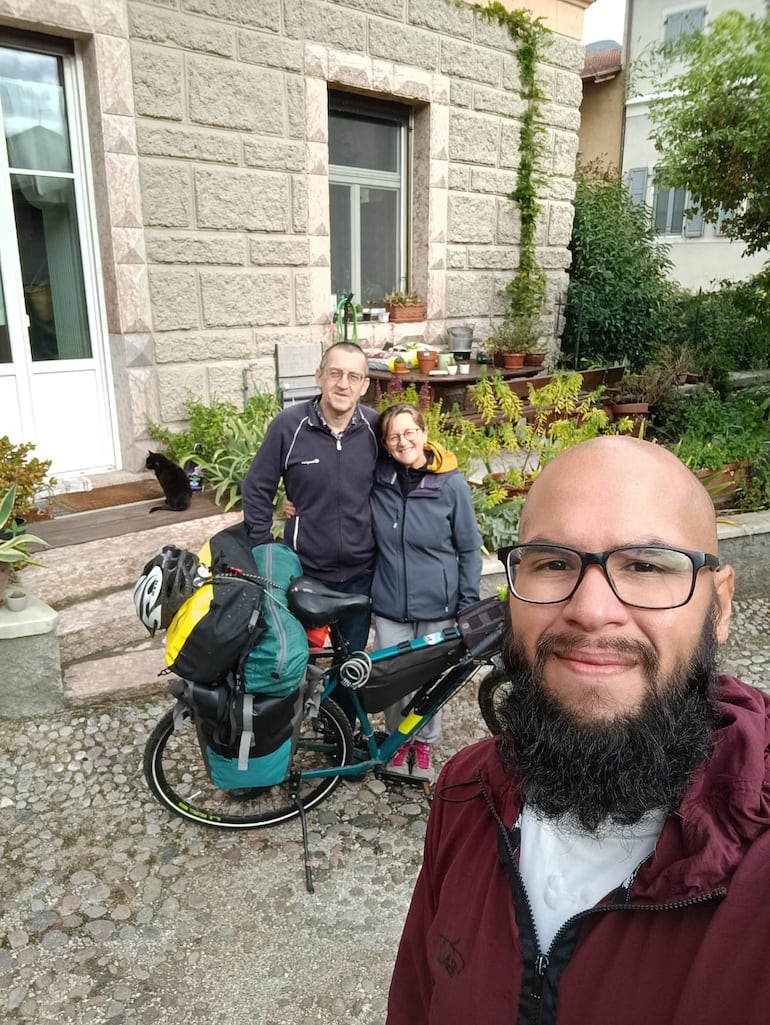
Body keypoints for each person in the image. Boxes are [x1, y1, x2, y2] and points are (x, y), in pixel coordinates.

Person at [387, 435, 770, 1025]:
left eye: (645, 565)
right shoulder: (466, 788)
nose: (591, 610)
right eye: (554, 563)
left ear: (718, 607)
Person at [241, 341, 379, 724]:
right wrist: (262, 547)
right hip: (305, 574)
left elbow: (401, 478)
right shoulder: (289, 426)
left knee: (351, 662)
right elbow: (256, 488)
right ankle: (284, 733)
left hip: (359, 574)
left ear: (365, 385)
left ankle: (343, 736)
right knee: (292, 660)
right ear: (319, 377)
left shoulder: (374, 429)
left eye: (353, 376)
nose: (343, 383)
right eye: (335, 373)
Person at [371, 403, 481, 780]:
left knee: (429, 680)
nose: (403, 441)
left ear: (423, 431)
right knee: (393, 679)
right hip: (389, 603)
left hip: (438, 605)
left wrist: (467, 604)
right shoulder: (378, 481)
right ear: (385, 444)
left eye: (409, 432)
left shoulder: (451, 484)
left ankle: (423, 742)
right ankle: (397, 740)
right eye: (394, 436)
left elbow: (468, 548)